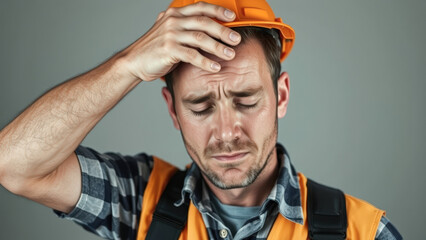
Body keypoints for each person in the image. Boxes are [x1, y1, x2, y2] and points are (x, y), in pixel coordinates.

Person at [0, 0, 402, 239]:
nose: (227, 132)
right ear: (173, 110)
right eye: (201, 107)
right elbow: (14, 165)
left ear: (281, 96)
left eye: (246, 100)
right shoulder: (140, 202)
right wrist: (126, 65)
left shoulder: (362, 232)